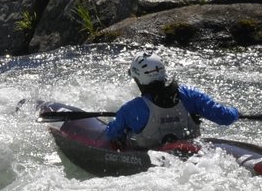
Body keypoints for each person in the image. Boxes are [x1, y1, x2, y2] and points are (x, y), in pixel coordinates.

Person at [103, 54, 241, 149]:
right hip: (190, 156)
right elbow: (226, 118)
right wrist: (236, 112)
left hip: (152, 161)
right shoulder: (190, 95)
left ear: (139, 79)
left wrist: (121, 126)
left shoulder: (132, 109)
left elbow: (111, 134)